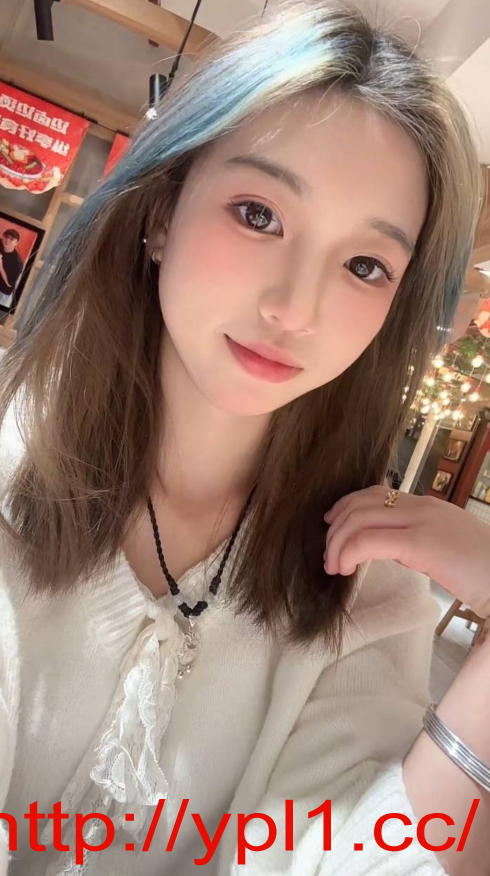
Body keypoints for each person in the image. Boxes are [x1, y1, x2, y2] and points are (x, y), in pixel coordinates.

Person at [0, 0, 489, 873]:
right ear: (162, 212)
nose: (295, 309)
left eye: (365, 265)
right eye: (258, 214)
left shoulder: (363, 590)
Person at [0, 230, 24, 311]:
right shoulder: (1, 243)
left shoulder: (17, 262)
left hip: (3, 293)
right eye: (6, 237)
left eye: (12, 239)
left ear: (16, 243)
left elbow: (9, 284)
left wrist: (0, 265)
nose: (7, 240)